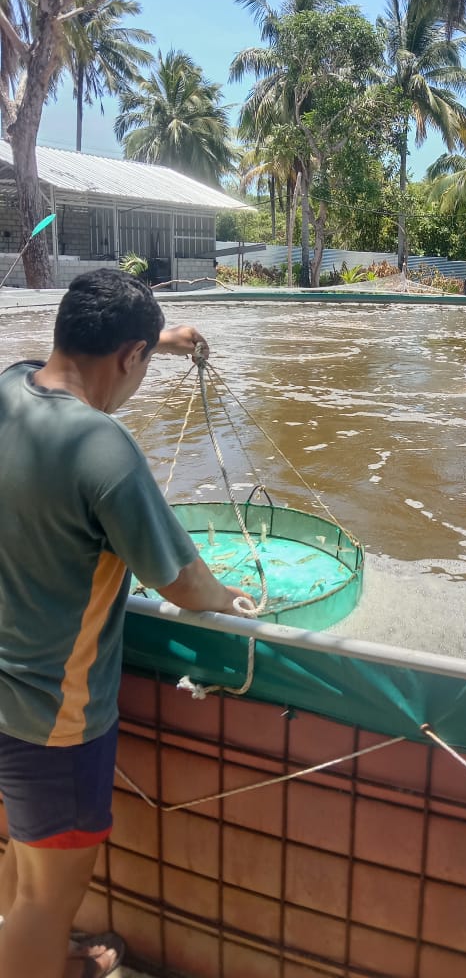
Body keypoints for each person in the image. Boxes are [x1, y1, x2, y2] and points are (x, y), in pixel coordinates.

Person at [0, 268, 254, 978]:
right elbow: (181, 580)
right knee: (47, 903)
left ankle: (36, 955)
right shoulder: (102, 449)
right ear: (128, 357)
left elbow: (52, 363)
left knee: (21, 873)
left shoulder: (9, 389)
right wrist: (232, 599)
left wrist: (160, 341)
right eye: (142, 359)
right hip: (53, 720)